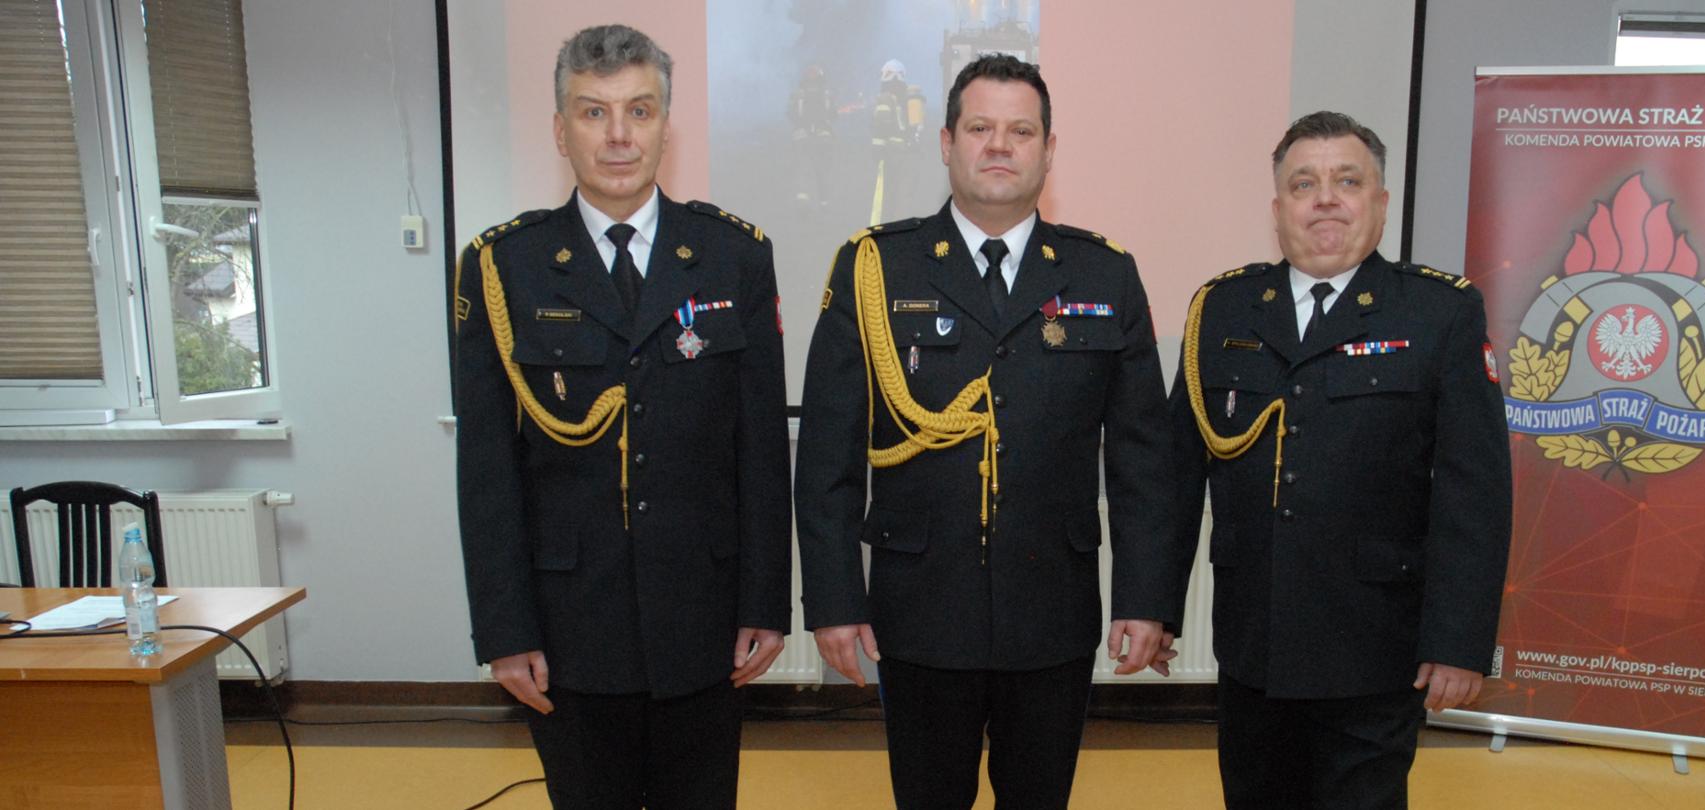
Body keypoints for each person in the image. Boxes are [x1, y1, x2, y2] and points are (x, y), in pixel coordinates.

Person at [794, 54, 1186, 809]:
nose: (1000, 145)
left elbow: (1144, 460)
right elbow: (827, 458)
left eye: (1021, 131)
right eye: (980, 128)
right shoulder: (875, 267)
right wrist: (835, 600)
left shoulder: (1103, 274)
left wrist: (1146, 598)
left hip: (1053, 615)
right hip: (919, 611)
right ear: (946, 142)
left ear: (1048, 149)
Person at [452, 24, 790, 810]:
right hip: (569, 627)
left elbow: (761, 450)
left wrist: (765, 605)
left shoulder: (734, 255)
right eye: (593, 112)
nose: (617, 136)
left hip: (704, 620)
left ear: (666, 127)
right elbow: (487, 467)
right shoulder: (504, 267)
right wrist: (504, 630)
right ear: (559, 131)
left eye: (639, 111)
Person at [1166, 111, 1511, 809]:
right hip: (1254, 645)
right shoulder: (1224, 311)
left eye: (1347, 182)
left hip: (1374, 650)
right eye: (1304, 184)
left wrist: (1459, 641)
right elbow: (1173, 473)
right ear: (1277, 209)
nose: (1325, 199)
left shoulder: (1438, 314)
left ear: (1380, 203)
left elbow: (1474, 492)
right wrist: (1153, 607)